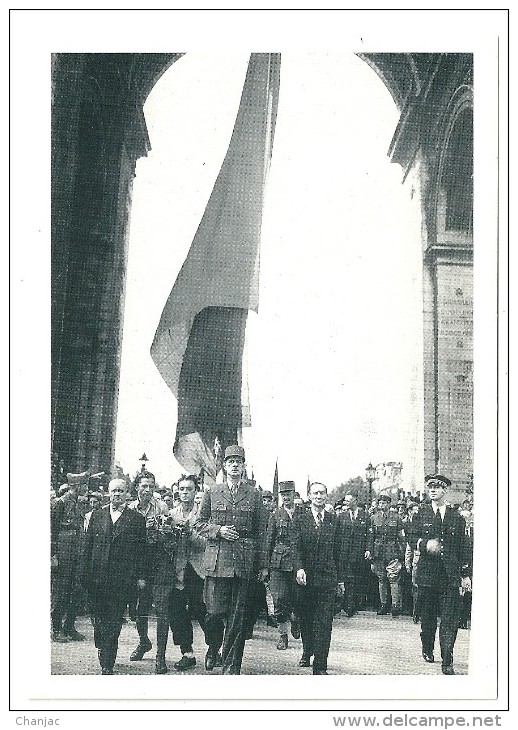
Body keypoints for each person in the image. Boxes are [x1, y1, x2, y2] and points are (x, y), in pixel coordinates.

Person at [195, 445, 268, 674]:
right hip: (217, 562)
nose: (235, 465)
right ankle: (213, 646)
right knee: (214, 613)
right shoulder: (212, 492)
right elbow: (199, 524)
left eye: (239, 461)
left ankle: (231, 668)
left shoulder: (254, 494)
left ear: (244, 466)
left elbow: (262, 533)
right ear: (224, 466)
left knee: (238, 619)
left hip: (243, 562)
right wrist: (219, 530)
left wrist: (263, 565)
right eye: (231, 462)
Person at [80, 478, 147, 674]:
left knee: (114, 620)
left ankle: (107, 663)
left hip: (121, 581)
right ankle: (102, 642)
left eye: (121, 491)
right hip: (97, 578)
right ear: (109, 493)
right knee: (99, 619)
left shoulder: (136, 519)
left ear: (127, 493)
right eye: (114, 491)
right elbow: (88, 547)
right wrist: (84, 573)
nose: (117, 494)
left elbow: (141, 552)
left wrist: (140, 577)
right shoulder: (97, 516)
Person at [411, 474, 472, 675]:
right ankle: (427, 647)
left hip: (449, 576)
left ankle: (448, 658)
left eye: (438, 487)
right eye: (431, 487)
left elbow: (464, 546)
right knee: (428, 617)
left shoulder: (456, 517)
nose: (433, 490)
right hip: (428, 575)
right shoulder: (421, 513)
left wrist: (465, 574)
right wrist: (424, 545)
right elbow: (410, 538)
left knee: (449, 619)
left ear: (445, 490)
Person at [292, 482, 345, 675]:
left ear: (326, 495)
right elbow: (295, 547)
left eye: (322, 493)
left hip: (327, 579)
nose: (319, 496)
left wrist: (340, 580)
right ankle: (307, 651)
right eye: (315, 493)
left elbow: (339, 552)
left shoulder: (334, 520)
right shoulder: (300, 520)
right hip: (305, 580)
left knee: (324, 623)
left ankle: (320, 665)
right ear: (309, 496)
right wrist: (299, 568)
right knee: (307, 619)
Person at [166, 475, 209, 672]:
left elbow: (205, 544)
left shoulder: (203, 514)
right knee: (176, 611)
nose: (184, 492)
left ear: (195, 491)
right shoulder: (171, 514)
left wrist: (189, 532)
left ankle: (215, 646)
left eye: (189, 489)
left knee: (202, 610)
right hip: (178, 569)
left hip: (198, 570)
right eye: (181, 489)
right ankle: (187, 652)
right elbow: (166, 544)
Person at [127, 470, 168, 662]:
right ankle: (143, 641)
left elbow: (169, 536)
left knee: (161, 609)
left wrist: (160, 529)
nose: (148, 490)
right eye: (144, 486)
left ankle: (160, 656)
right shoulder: (130, 509)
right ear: (137, 487)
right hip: (136, 562)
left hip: (158, 560)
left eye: (151, 486)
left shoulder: (161, 507)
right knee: (139, 608)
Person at [51, 471, 90, 642]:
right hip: (63, 554)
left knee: (77, 591)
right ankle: (56, 628)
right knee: (61, 592)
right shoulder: (59, 504)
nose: (86, 489)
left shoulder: (80, 504)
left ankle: (70, 626)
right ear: (76, 486)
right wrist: (52, 556)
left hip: (78, 554)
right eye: (84, 486)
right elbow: (50, 532)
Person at [265, 480, 301, 650]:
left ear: (294, 494)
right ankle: (282, 635)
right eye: (283, 495)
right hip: (278, 563)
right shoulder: (275, 515)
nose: (286, 497)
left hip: (298, 562)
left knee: (297, 598)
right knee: (279, 600)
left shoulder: (303, 513)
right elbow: (268, 541)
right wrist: (265, 567)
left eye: (289, 494)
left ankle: (295, 618)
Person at [367, 493, 406, 617]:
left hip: (392, 550)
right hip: (378, 551)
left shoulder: (396, 518)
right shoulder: (374, 518)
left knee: (393, 578)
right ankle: (383, 604)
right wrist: (370, 551)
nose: (381, 505)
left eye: (384, 503)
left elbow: (401, 537)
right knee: (381, 578)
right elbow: (370, 537)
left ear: (389, 504)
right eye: (380, 503)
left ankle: (395, 606)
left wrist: (403, 553)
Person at [338, 492, 371, 617]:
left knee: (358, 579)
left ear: (355, 501)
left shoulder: (365, 516)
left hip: (359, 553)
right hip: (345, 553)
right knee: (348, 579)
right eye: (345, 501)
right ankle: (349, 606)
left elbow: (369, 535)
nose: (346, 503)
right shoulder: (341, 516)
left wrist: (368, 549)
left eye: (349, 500)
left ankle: (355, 604)